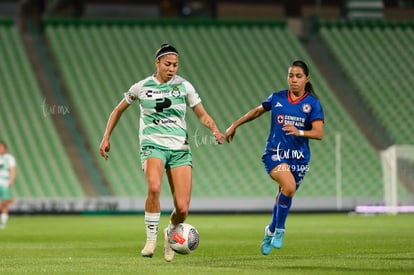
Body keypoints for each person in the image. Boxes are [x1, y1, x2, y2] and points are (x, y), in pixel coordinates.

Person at [99, 43, 224, 262]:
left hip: (179, 149)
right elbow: (118, 110)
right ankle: (150, 240)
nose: (172, 68)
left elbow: (202, 115)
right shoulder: (141, 87)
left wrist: (214, 129)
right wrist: (106, 136)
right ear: (157, 62)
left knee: (183, 209)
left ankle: (170, 233)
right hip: (152, 144)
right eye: (167, 64)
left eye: (175, 65)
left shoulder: (184, 86)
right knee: (154, 187)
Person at [225, 60, 324, 255]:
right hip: (274, 153)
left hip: (298, 158)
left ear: (307, 79)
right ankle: (280, 230)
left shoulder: (312, 104)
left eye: (298, 76)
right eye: (291, 76)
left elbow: (318, 133)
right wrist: (234, 124)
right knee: (289, 187)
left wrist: (299, 132)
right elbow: (257, 111)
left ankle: (270, 229)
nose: (293, 80)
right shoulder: (278, 97)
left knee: (284, 194)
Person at [0, 141, 17, 229]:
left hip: (5, 182)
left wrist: (11, 180)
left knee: (4, 204)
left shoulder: (9, 158)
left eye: (2, 147)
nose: (1, 149)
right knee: (3, 203)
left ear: (5, 148)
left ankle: (3, 224)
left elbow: (13, 169)